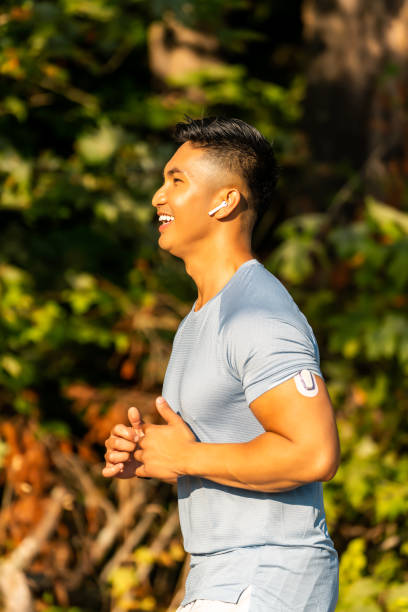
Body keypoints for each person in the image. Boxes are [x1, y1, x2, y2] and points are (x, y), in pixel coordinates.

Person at [102, 117, 340, 611]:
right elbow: (221, 450)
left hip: (268, 570)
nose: (157, 197)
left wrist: (185, 458)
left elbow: (312, 453)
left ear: (225, 201)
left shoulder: (258, 313)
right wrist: (150, 453)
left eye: (176, 181)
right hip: (223, 572)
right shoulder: (200, 318)